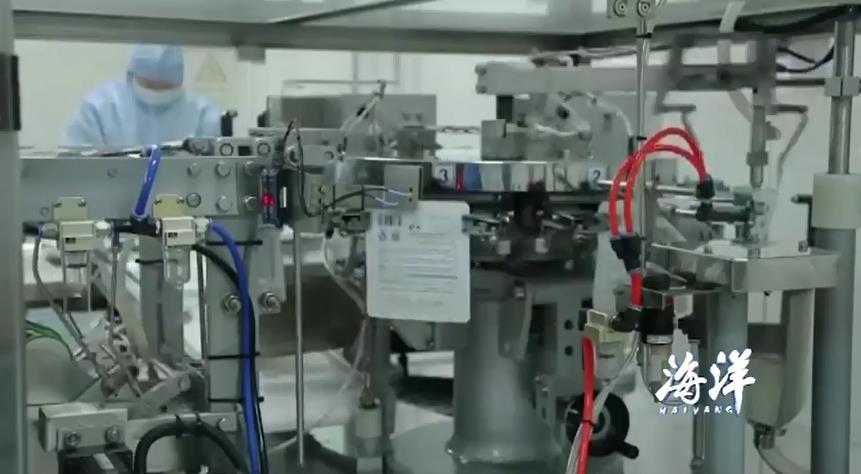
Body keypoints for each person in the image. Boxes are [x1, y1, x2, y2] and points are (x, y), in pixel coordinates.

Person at [62, 44, 221, 148]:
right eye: (149, 86)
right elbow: (75, 174)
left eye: (166, 87)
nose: (157, 94)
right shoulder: (98, 109)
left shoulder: (203, 115)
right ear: (133, 74)